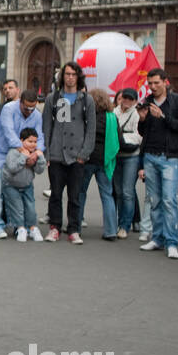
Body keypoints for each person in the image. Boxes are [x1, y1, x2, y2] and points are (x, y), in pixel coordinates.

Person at [138, 68, 178, 259]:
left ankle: (172, 241)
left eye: (156, 83)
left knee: (169, 200)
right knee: (155, 200)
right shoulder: (147, 101)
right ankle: (157, 238)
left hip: (170, 157)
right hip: (150, 155)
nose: (153, 87)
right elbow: (143, 131)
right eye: (150, 83)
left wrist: (164, 117)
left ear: (165, 82)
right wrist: (143, 120)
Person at [42, 62, 95, 244]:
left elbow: (91, 130)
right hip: (56, 154)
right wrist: (47, 153)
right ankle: (55, 228)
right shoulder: (53, 98)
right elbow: (46, 126)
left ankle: (74, 229)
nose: (70, 77)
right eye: (67, 74)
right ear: (62, 76)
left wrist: (84, 153)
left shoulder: (86, 100)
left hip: (77, 156)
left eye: (73, 74)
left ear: (78, 77)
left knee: (75, 196)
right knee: (55, 194)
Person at [0, 87, 43, 238]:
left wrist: (37, 152)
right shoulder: (9, 109)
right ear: (20, 102)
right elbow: (8, 131)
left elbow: (40, 136)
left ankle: (22, 226)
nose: (29, 111)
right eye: (26, 108)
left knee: (23, 193)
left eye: (33, 108)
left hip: (23, 155)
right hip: (2, 153)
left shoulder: (37, 115)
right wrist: (23, 150)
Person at [73, 87, 118, 241]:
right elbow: (119, 139)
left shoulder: (85, 117)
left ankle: (76, 227)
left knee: (80, 193)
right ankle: (111, 230)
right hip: (104, 160)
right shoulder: (112, 118)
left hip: (86, 159)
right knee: (107, 195)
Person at [3, 126, 47, 242]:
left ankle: (33, 228)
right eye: (30, 141)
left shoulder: (34, 154)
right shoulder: (13, 152)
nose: (33, 144)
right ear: (22, 140)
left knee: (30, 208)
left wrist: (40, 157)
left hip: (27, 185)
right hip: (11, 185)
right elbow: (12, 167)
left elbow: (39, 170)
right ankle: (21, 228)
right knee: (17, 208)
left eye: (35, 142)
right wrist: (23, 157)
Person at [112, 88, 142, 239]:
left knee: (127, 191)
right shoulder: (114, 112)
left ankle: (125, 225)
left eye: (131, 99)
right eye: (125, 98)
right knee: (118, 191)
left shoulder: (136, 114)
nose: (127, 102)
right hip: (117, 155)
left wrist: (122, 136)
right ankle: (119, 222)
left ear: (135, 101)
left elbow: (138, 135)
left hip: (131, 156)